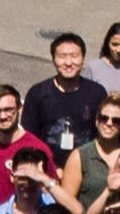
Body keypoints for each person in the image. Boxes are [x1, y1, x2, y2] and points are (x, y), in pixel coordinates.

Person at [22, 32, 104, 161]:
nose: (68, 62)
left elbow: (103, 134)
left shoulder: (96, 93)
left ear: (83, 58)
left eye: (74, 56)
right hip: (47, 167)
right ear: (53, 59)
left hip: (86, 166)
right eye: (62, 56)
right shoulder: (38, 93)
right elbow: (28, 136)